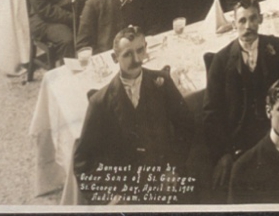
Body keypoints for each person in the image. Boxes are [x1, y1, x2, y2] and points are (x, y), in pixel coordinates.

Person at [73, 26, 196, 205]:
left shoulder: (162, 82)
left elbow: (186, 126)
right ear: (115, 58)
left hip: (164, 180)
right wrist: (108, 197)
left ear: (146, 48)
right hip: (126, 192)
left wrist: (173, 169)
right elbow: (82, 161)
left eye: (140, 50)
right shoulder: (100, 102)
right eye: (128, 54)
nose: (137, 59)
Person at [204, 0, 279, 194]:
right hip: (239, 141)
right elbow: (211, 112)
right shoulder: (221, 60)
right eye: (242, 21)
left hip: (273, 132)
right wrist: (223, 154)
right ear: (234, 23)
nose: (248, 26)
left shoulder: (274, 47)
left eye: (253, 19)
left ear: (261, 19)